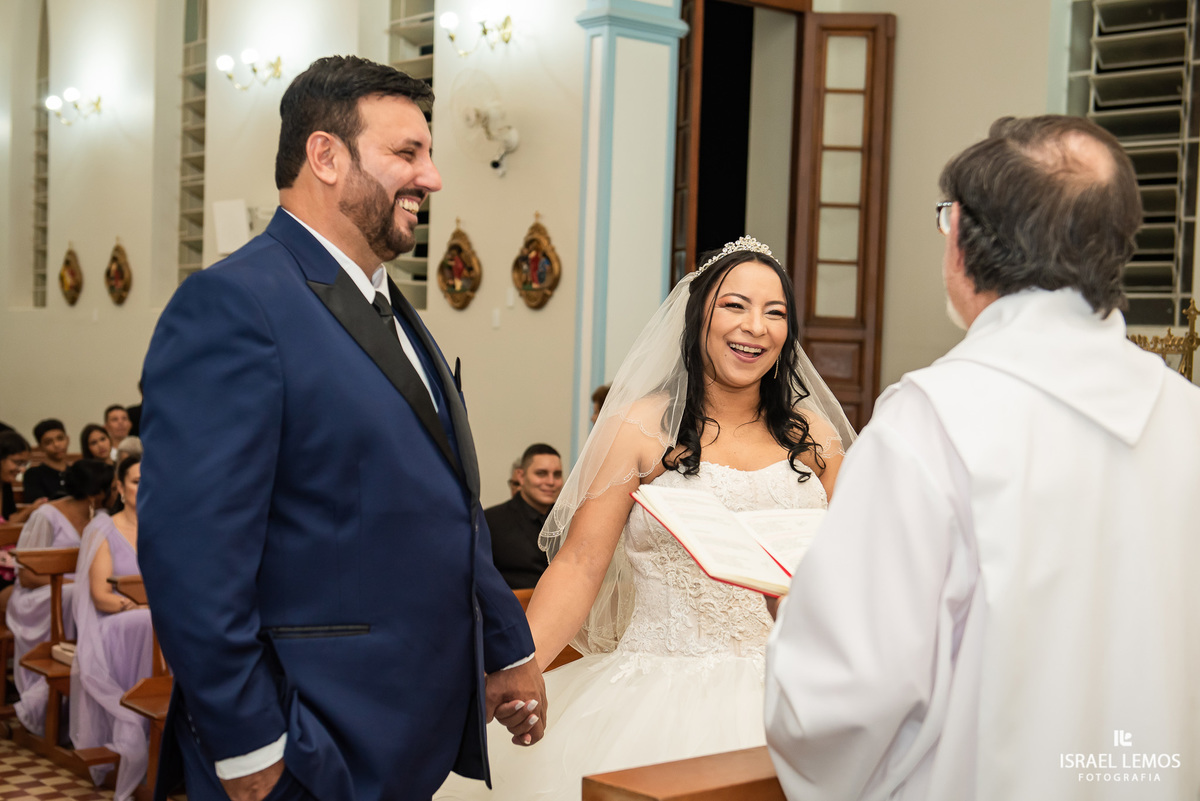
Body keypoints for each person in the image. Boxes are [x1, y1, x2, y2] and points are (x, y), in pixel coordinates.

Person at [139, 55, 543, 801]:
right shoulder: (235, 305)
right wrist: (250, 743)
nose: (432, 177)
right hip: (309, 740)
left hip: (400, 734)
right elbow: (192, 558)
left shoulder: (392, 309)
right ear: (324, 155)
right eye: (407, 153)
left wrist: (506, 648)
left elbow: (448, 504)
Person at [764, 115, 1200, 800]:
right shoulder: (1187, 416)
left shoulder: (932, 421)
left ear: (961, 239)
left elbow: (840, 701)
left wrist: (795, 628)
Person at [437, 237, 855, 800]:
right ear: (697, 314)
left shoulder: (815, 437)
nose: (756, 326)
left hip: (796, 694)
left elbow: (857, 570)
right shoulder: (641, 427)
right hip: (657, 694)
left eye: (775, 312)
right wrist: (518, 668)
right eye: (735, 305)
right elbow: (581, 563)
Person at [8, 458, 115, 735]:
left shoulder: (101, 518)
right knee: (78, 595)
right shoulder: (45, 516)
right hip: (39, 597)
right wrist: (76, 582)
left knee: (96, 595)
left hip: (73, 595)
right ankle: (46, 692)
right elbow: (27, 575)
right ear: (96, 492)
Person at [71, 454, 154, 801]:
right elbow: (100, 595)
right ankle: (142, 723)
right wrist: (136, 605)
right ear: (120, 487)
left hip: (151, 618)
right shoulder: (102, 528)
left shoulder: (163, 525)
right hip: (114, 623)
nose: (145, 487)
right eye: (136, 481)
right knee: (147, 621)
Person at [484, 444, 564, 589]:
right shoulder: (491, 521)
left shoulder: (570, 520)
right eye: (541, 473)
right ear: (521, 476)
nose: (551, 482)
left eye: (557, 474)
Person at [22, 418, 71, 503]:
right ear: (40, 447)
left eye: (60, 438)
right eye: (48, 442)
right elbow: (38, 506)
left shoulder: (77, 472)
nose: (56, 445)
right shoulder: (33, 475)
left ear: (67, 439)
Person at [1, 430, 44, 526]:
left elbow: (9, 522)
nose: (21, 469)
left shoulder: (5, 485)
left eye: (24, 464)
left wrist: (32, 509)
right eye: (17, 462)